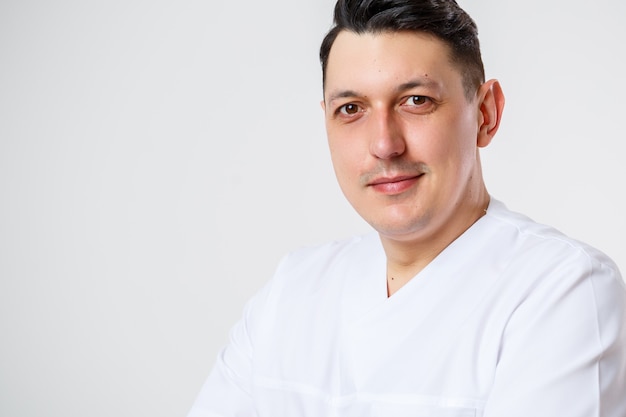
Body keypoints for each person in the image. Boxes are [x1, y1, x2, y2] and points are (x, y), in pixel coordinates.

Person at [187, 0, 626, 415]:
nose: (384, 144)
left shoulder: (561, 290)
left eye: (416, 101)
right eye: (351, 108)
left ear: (486, 113)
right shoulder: (291, 292)